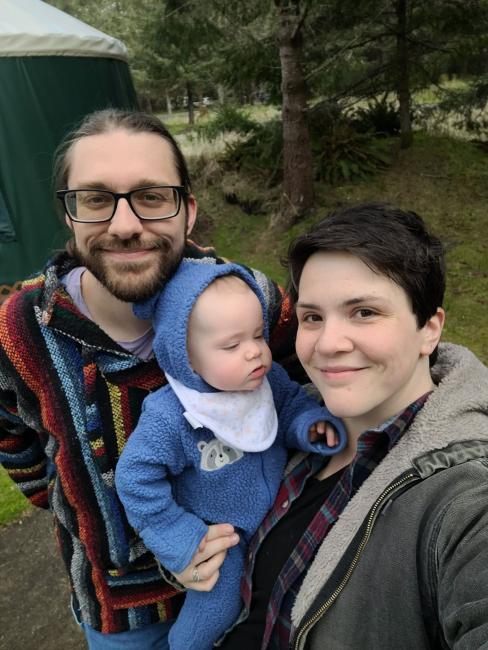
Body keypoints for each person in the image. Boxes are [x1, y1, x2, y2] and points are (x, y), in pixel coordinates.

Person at [0, 109, 295, 650]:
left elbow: (313, 380)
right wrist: (77, 503)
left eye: (152, 196)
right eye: (95, 199)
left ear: (187, 212)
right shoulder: (18, 330)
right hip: (122, 618)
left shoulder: (248, 299)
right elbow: (13, 440)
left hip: (263, 581)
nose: (125, 224)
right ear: (69, 215)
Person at [176, 203, 488, 649]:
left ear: (429, 329)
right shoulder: (291, 424)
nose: (328, 344)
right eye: (313, 317)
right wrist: (190, 555)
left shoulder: (466, 498)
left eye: (364, 312)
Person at [115, 259, 346, 650]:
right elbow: (134, 478)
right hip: (223, 539)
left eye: (258, 335)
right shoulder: (172, 416)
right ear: (184, 355)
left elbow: (290, 405)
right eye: (232, 345)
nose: (255, 352)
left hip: (277, 516)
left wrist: (309, 426)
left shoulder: (267, 380)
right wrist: (180, 534)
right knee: (215, 611)